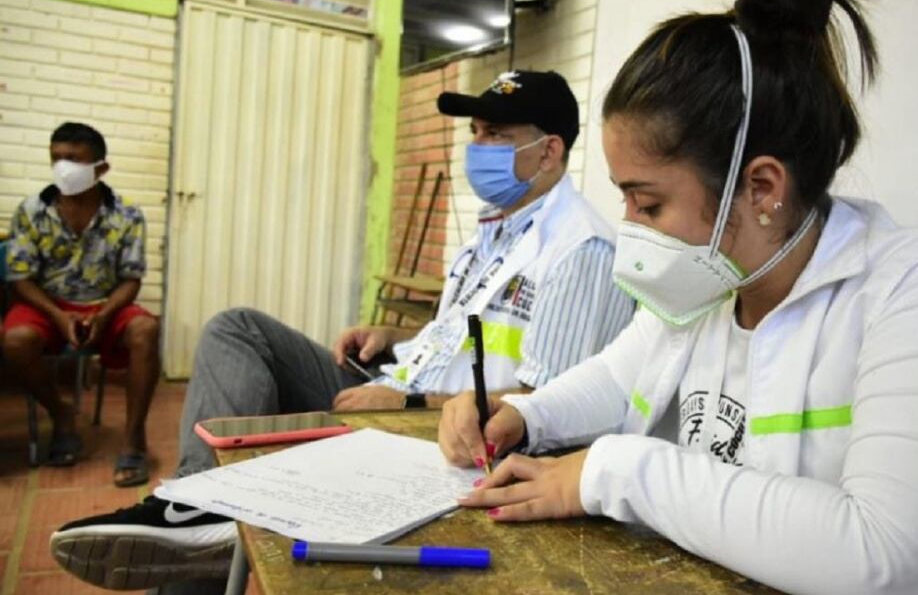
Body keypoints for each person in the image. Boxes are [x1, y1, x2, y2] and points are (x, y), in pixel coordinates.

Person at [439, 0, 918, 594]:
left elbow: (899, 562)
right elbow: (619, 377)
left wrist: (617, 471)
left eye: (650, 203)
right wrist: (526, 416)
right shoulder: (710, 285)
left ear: (761, 188)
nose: (633, 229)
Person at [50, 70, 635, 592]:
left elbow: (546, 413)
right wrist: (395, 336)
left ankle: (198, 511)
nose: (476, 148)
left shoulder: (579, 250)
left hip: (436, 428)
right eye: (475, 132)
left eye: (496, 136)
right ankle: (201, 506)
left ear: (549, 150)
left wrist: (406, 398)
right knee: (239, 331)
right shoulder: (498, 227)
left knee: (236, 350)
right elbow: (466, 331)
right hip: (397, 381)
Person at [3, 122, 160, 487]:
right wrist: (59, 316)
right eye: (56, 157)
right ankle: (62, 417)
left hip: (106, 304)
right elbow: (20, 278)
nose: (62, 167)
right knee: (15, 341)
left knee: (146, 330)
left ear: (100, 168)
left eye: (73, 159)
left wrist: (104, 316)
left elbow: (131, 278)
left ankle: (134, 437)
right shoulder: (31, 211)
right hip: (48, 304)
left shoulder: (127, 215)